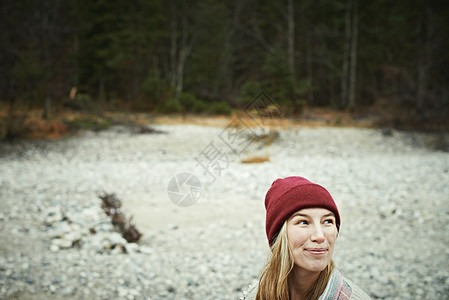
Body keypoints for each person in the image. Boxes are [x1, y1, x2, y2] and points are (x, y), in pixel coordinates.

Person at [243, 176, 370, 300]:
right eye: (303, 222)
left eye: (327, 221)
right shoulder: (254, 296)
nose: (319, 236)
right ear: (279, 236)